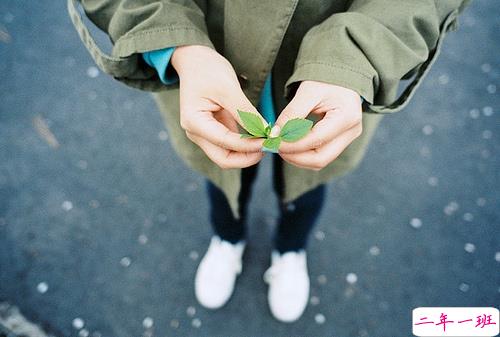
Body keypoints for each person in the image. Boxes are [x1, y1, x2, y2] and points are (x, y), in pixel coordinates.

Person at [67, 0, 470, 322]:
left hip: (330, 88)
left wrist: (358, 56)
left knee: (307, 184)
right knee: (223, 176)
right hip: (210, 70)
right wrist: (177, 46)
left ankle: (290, 251)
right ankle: (228, 239)